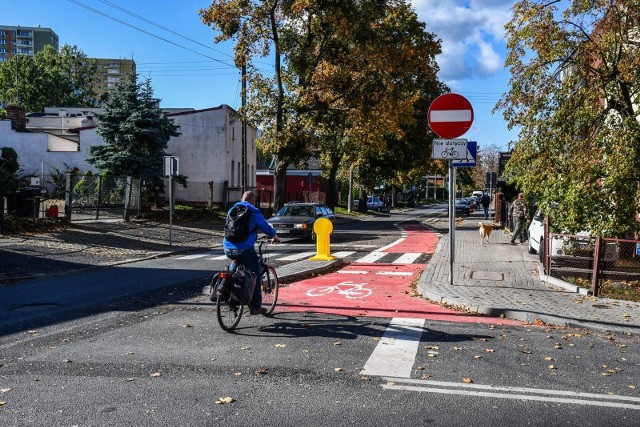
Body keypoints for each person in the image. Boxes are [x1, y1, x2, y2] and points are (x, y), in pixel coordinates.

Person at [223, 191, 281, 315]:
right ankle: (255, 307)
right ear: (253, 201)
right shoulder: (254, 212)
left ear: (241, 199)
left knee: (234, 270)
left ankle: (230, 295)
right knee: (256, 275)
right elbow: (266, 228)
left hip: (228, 248)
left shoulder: (232, 210)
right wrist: (275, 237)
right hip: (245, 249)